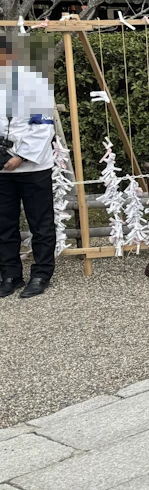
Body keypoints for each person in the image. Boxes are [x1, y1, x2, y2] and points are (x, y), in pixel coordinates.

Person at [0, 34, 58, 299]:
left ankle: (41, 273)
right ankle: (10, 274)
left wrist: (20, 156)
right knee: (4, 224)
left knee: (40, 223)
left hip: (33, 167)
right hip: (1, 169)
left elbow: (44, 127)